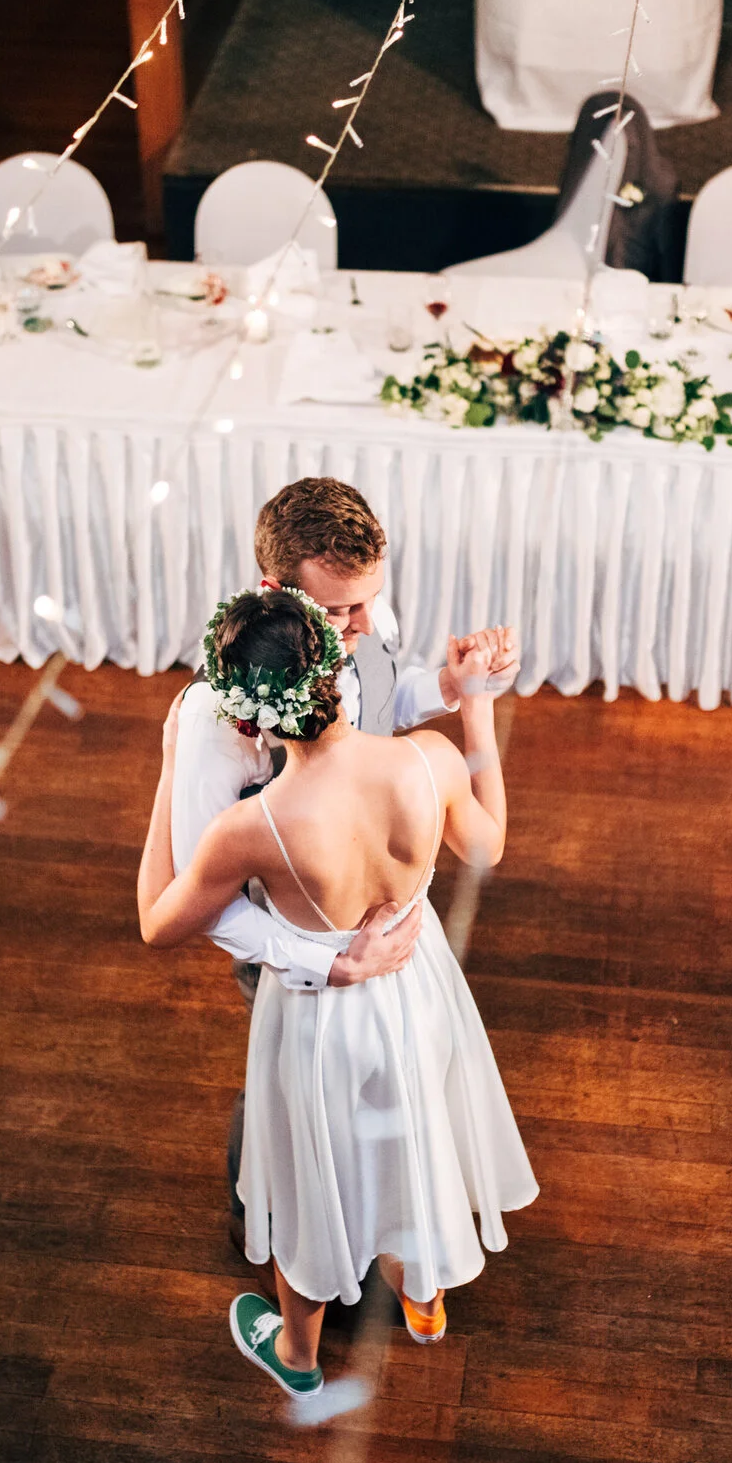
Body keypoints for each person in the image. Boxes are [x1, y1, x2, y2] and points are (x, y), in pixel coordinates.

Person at [139, 586, 538, 1396]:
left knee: (313, 1177)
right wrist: (477, 708)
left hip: (318, 1025)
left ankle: (297, 1354)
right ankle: (423, 1301)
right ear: (334, 663)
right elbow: (488, 846)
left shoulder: (250, 828)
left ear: (247, 721)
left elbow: (158, 921)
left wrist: (171, 765)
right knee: (412, 1131)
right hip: (418, 990)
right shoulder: (427, 760)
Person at [164, 477, 519, 1250]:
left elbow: (381, 702)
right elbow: (200, 887)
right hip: (291, 945)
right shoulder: (216, 718)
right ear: (277, 594)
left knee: (393, 1081)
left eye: (372, 599)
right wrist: (324, 965)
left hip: (391, 931)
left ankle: (378, 1224)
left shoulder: (359, 620)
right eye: (339, 611)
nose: (363, 622)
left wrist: (450, 686)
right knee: (286, 1094)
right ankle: (270, 1218)